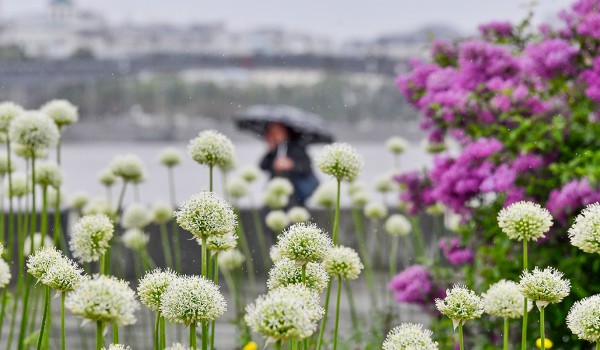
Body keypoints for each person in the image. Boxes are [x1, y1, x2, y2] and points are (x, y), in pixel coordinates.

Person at [259, 122, 319, 206]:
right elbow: (262, 166)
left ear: (285, 131)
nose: (275, 134)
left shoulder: (297, 147)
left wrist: (291, 164)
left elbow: (306, 167)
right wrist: (271, 150)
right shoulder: (275, 149)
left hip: (294, 196)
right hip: (274, 194)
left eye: (277, 131)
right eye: (272, 131)